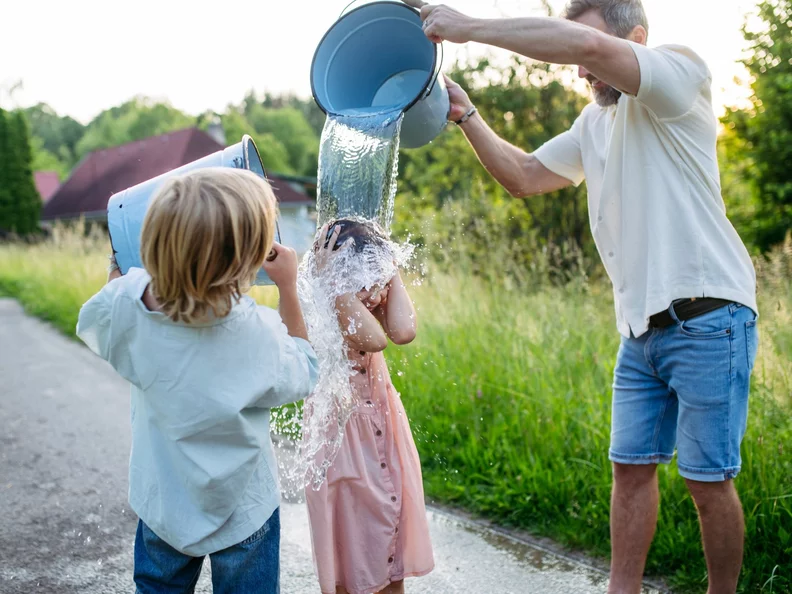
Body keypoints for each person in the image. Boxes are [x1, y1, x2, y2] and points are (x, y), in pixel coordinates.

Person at [403, 0, 759, 592]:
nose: (579, 69)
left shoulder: (679, 74)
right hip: (640, 332)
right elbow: (523, 176)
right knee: (629, 472)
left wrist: (467, 28)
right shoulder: (593, 125)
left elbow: (589, 50)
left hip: (709, 316)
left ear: (636, 38)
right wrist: (467, 115)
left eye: (583, 45)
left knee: (707, 482)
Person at [76, 168, 319, 594]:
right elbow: (304, 371)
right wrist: (288, 289)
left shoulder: (127, 306)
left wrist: (121, 273)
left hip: (163, 500)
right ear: (247, 259)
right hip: (245, 508)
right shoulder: (258, 333)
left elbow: (99, 318)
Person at [305, 220, 434, 594]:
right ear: (342, 276)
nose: (375, 292)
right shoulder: (329, 301)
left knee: (391, 545)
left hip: (382, 423)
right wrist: (334, 285)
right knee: (356, 549)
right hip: (344, 438)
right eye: (366, 279)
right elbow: (376, 338)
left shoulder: (368, 295)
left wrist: (390, 274)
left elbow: (403, 331)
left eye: (378, 276)